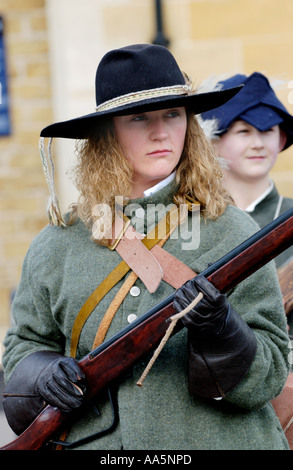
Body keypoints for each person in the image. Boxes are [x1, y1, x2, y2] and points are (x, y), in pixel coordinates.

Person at [2, 44, 290, 450]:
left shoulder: (233, 230)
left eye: (173, 115)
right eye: (139, 118)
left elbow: (272, 370)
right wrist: (43, 375)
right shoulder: (57, 243)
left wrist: (223, 331)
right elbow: (24, 346)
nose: (160, 132)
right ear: (108, 133)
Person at [199, 72, 293, 270]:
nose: (258, 144)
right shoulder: (192, 220)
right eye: (244, 131)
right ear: (213, 142)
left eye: (267, 131)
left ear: (281, 139)